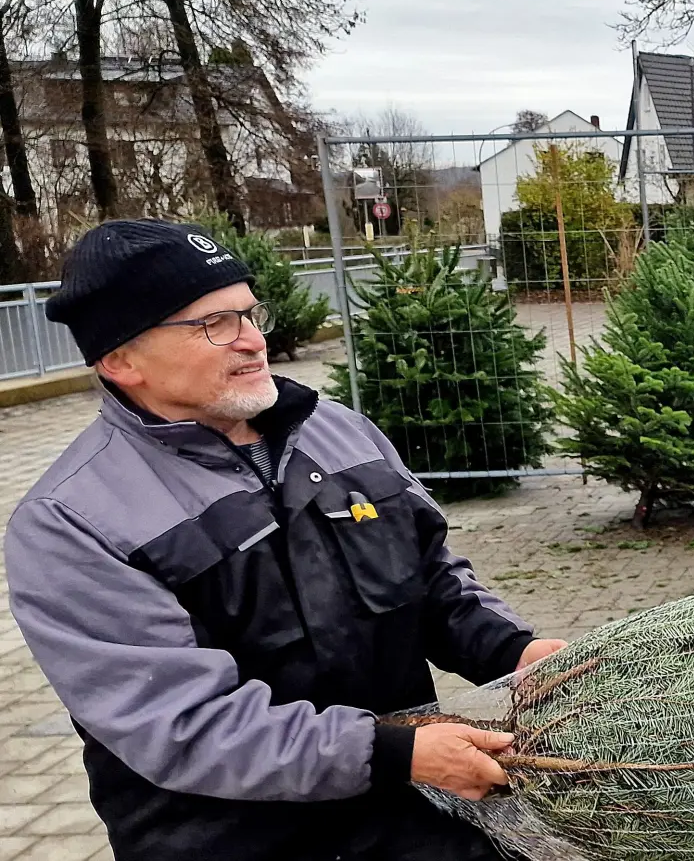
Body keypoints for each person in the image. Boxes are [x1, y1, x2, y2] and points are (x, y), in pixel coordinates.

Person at [4, 219, 568, 860]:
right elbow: (180, 725)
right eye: (212, 325)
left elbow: (433, 579)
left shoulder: (340, 433)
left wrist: (516, 653)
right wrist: (395, 752)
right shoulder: (70, 521)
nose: (252, 341)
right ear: (119, 360)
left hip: (409, 813)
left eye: (250, 313)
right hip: (231, 840)